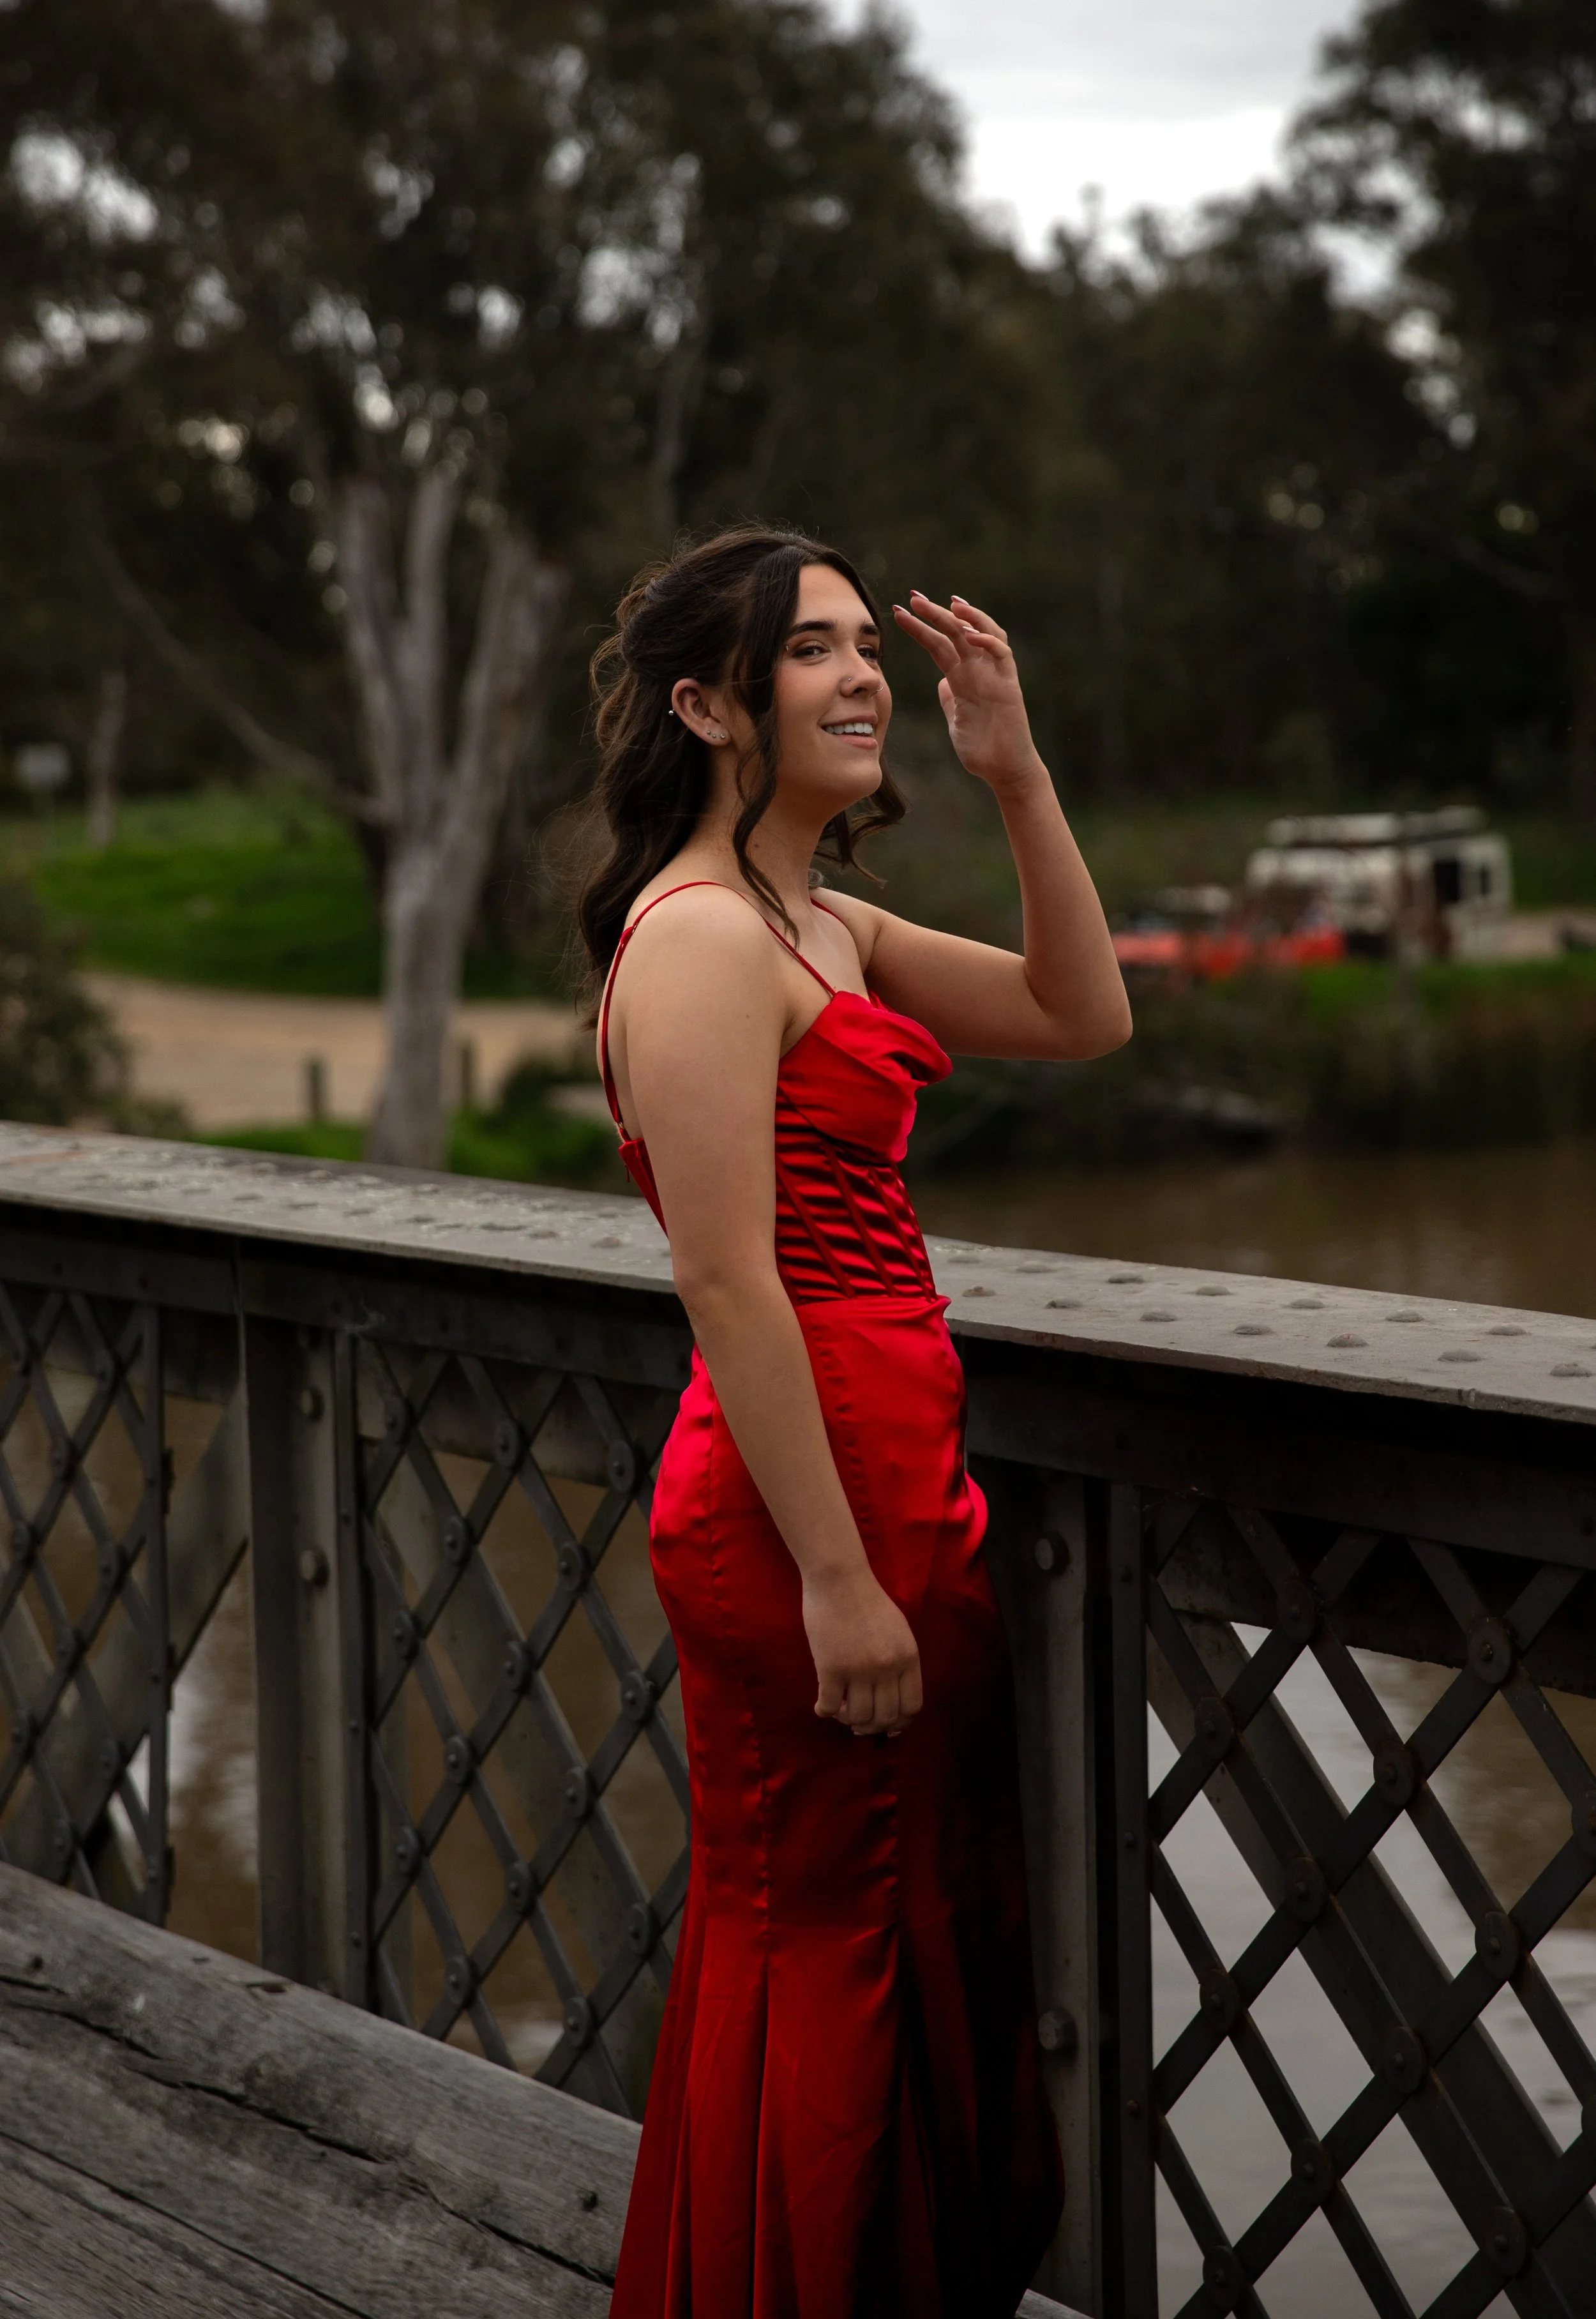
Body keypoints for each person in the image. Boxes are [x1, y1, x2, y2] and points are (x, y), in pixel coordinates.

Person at [582, 526, 1130, 2316]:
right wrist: (832, 1578)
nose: (857, 672)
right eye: (808, 649)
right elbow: (728, 1281)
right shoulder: (698, 942)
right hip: (799, 1516)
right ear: (707, 706)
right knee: (823, 1941)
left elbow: (1081, 1013)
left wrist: (1014, 768)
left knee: (914, 1928)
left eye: (854, 643)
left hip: (900, 1491)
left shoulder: (823, 923)